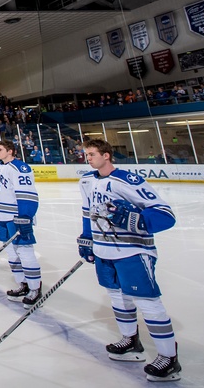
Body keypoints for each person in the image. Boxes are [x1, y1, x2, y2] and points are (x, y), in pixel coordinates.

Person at [79, 138, 182, 382]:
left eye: (92, 154)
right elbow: (86, 212)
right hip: (104, 251)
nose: (88, 158)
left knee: (147, 302)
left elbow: (165, 214)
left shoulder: (126, 180)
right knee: (117, 296)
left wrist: (134, 219)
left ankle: (169, 358)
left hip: (131, 251)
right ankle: (131, 342)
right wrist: (86, 238)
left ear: (106, 155)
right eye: (86, 154)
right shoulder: (86, 180)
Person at [0, 139, 42, 307]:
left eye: (0, 149)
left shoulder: (20, 168)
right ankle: (23, 284)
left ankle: (35, 287)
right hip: (1, 215)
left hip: (16, 216)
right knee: (12, 254)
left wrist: (25, 215)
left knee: (25, 252)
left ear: (10, 151)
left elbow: (28, 194)